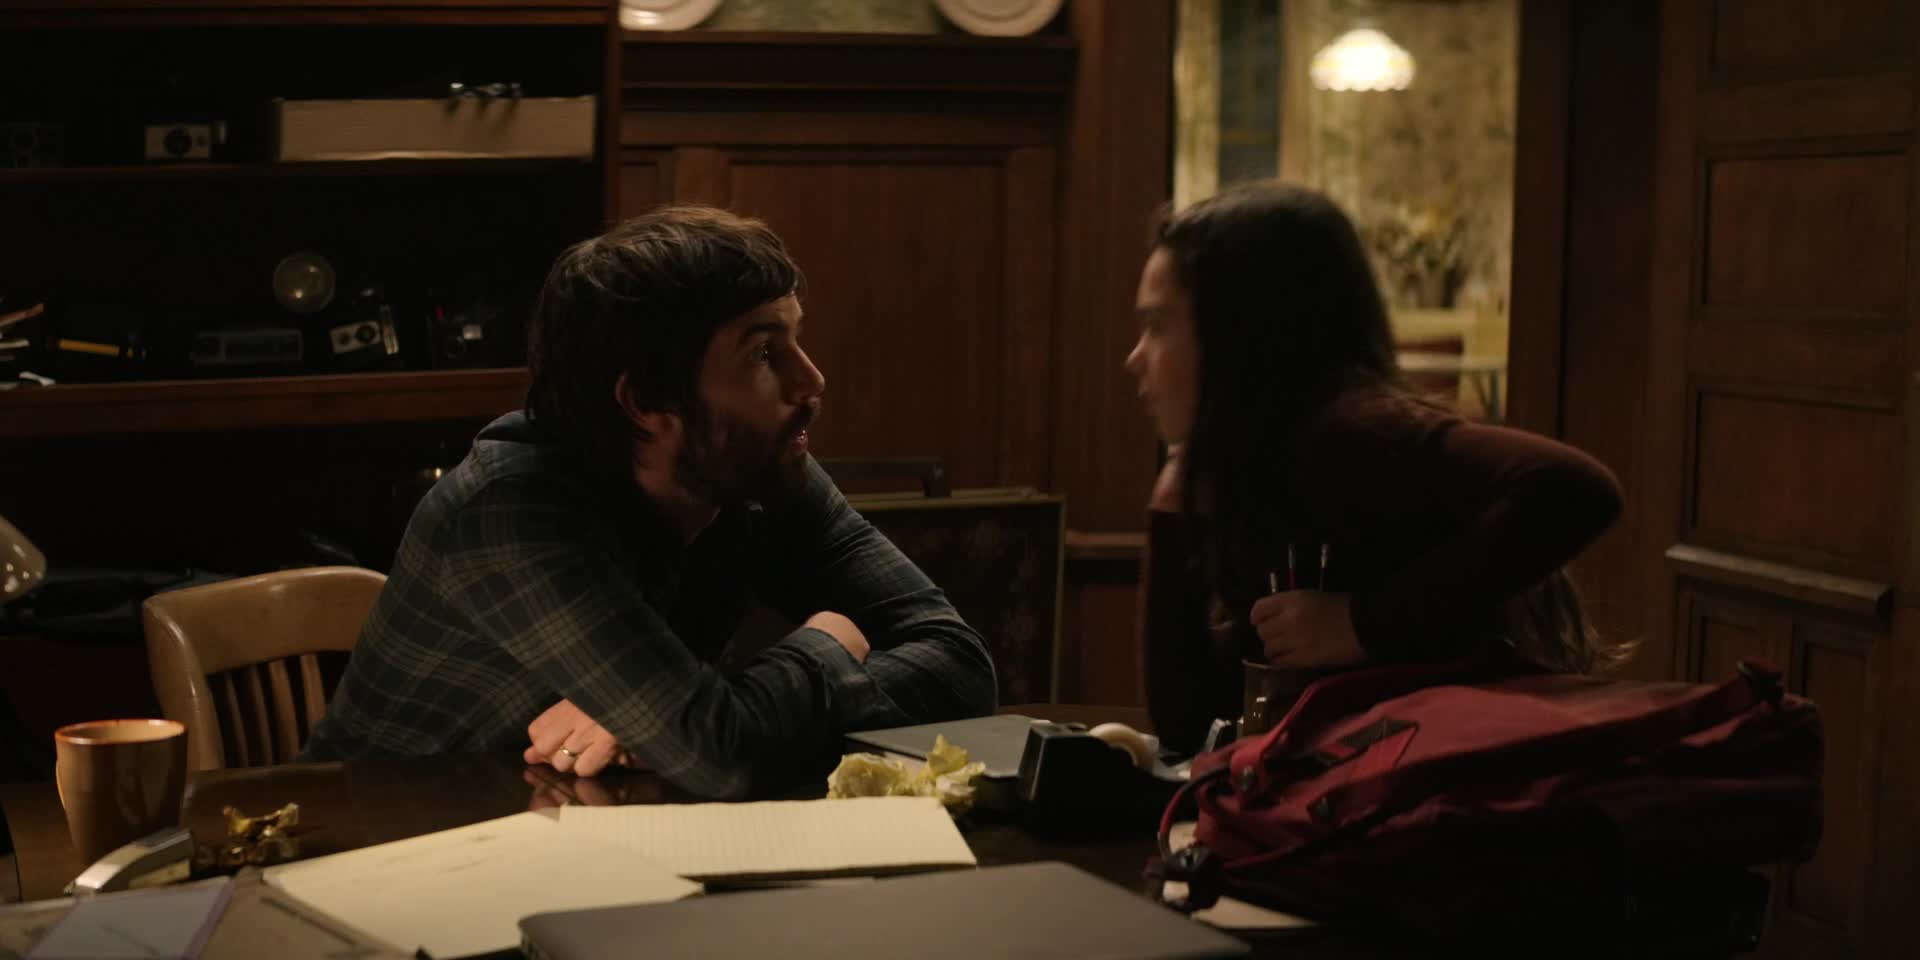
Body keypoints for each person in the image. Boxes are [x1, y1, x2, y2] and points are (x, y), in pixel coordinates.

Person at [304, 205, 998, 797]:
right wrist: (830, 641)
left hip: (572, 835)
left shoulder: (757, 467)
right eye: (763, 354)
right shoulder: (508, 512)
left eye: (797, 338)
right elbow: (718, 753)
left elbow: (962, 665)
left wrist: (676, 711)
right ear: (645, 401)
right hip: (376, 855)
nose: (811, 380)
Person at [1125, 181, 1626, 753]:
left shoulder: (1348, 430)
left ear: (1238, 333)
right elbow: (1186, 725)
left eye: (1158, 326)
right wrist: (1173, 503)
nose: (1136, 358)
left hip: (1461, 781)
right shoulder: (1246, 461)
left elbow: (1575, 487)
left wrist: (1362, 624)